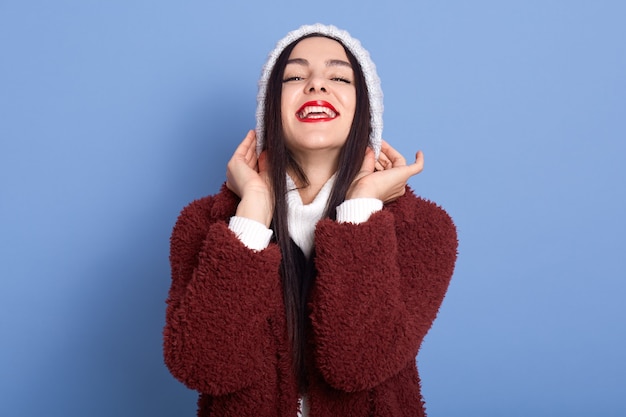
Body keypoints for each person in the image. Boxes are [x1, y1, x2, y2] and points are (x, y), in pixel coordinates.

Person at [163, 23, 458, 417]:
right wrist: (252, 212)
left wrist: (361, 210)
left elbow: (359, 365)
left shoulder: (422, 229)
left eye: (338, 76)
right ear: (271, 107)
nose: (317, 85)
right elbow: (203, 365)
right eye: (296, 76)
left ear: (366, 112)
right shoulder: (204, 225)